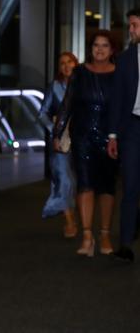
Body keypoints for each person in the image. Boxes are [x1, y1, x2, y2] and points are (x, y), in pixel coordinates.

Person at [54, 30, 118, 257]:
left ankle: (105, 233)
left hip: (111, 137)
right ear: (90, 49)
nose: (100, 49)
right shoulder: (79, 73)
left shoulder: (119, 73)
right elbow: (67, 103)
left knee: (107, 186)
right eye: (96, 45)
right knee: (85, 184)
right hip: (82, 136)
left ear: (112, 49)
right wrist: (58, 132)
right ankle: (88, 236)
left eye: (105, 45)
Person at [107, 8, 140, 262]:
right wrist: (113, 135)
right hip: (132, 129)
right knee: (130, 186)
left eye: (135, 25)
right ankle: (126, 244)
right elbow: (116, 99)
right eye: (130, 25)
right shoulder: (126, 59)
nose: (131, 30)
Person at [39, 52, 78, 237]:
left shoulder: (83, 84)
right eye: (62, 63)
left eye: (69, 61)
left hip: (81, 138)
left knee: (77, 180)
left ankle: (77, 213)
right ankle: (69, 221)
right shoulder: (54, 86)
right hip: (59, 140)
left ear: (75, 63)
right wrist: (54, 128)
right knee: (64, 179)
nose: (66, 66)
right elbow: (42, 113)